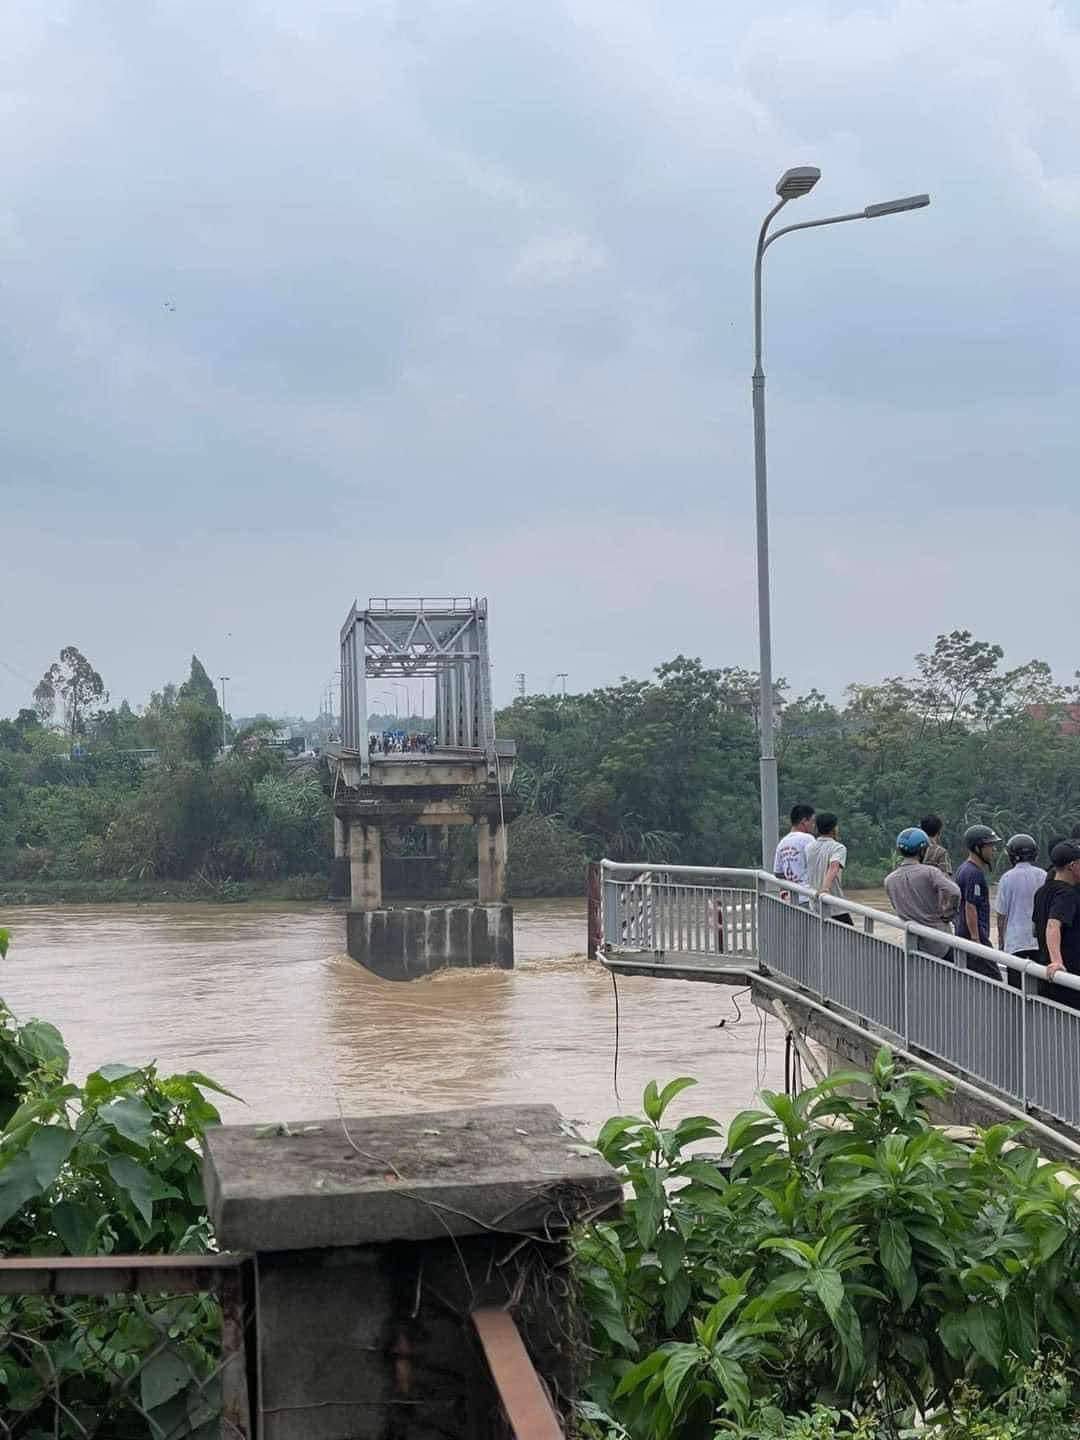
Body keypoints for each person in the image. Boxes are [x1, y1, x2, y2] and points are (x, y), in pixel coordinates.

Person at [884, 827, 960, 959]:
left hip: (912, 943)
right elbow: (955, 891)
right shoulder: (930, 872)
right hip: (940, 942)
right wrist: (949, 913)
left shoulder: (889, 880)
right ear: (923, 850)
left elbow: (897, 908)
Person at [1033, 840, 1080, 1010]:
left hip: (1047, 976)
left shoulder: (1041, 892)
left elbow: (1036, 928)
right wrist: (1057, 962)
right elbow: (1053, 924)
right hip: (1067, 977)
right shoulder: (1067, 894)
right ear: (1072, 866)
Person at [994, 834, 1044, 990]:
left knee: (1016, 989)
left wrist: (1001, 940)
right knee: (1039, 989)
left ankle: (1016, 1014)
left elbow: (1001, 915)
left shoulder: (1006, 878)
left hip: (1015, 941)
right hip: (1039, 941)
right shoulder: (1043, 875)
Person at [953, 824, 1002, 980]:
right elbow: (970, 905)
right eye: (990, 846)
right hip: (975, 938)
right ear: (977, 848)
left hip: (966, 935)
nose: (993, 850)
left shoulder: (963, 869)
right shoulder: (974, 874)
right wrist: (976, 940)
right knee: (996, 982)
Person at [805, 813, 852, 924]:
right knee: (856, 939)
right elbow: (833, 867)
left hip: (815, 904)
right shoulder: (838, 847)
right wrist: (825, 889)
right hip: (834, 906)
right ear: (833, 829)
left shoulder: (809, 847)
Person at [773, 804, 816, 901]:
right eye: (812, 821)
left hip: (791, 899)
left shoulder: (782, 843)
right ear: (804, 821)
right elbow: (817, 865)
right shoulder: (808, 839)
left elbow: (778, 873)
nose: (813, 826)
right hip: (807, 897)